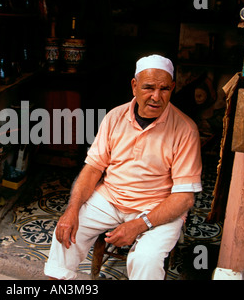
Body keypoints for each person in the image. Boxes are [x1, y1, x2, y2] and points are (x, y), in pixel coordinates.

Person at [44, 54, 203, 280]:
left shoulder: (186, 129)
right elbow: (92, 169)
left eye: (164, 89)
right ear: (134, 86)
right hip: (110, 198)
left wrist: (140, 224)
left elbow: (184, 197)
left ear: (173, 88)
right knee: (67, 232)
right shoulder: (114, 117)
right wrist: (71, 210)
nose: (156, 97)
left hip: (157, 207)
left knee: (145, 259)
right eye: (148, 88)